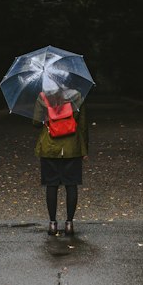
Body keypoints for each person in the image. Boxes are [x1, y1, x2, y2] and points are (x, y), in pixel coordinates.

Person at [34, 78, 89, 236]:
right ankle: (69, 224)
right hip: (72, 148)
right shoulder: (78, 96)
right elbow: (83, 125)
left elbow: (36, 123)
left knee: (52, 185)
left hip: (49, 148)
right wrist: (84, 150)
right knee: (71, 185)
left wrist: (46, 118)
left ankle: (52, 224)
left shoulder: (43, 97)